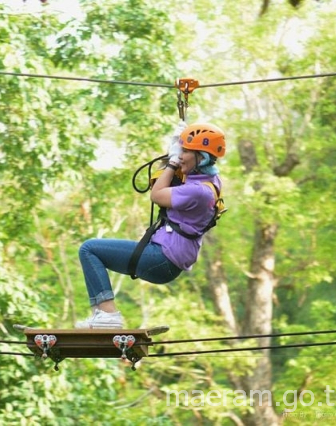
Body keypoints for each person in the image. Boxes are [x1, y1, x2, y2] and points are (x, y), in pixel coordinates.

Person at [75, 122, 226, 329]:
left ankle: (108, 315)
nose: (181, 155)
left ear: (202, 157)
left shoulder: (198, 191)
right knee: (90, 250)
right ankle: (100, 317)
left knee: (89, 249)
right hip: (167, 256)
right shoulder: (208, 179)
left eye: (185, 151)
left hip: (163, 257)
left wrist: (172, 162)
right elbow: (163, 179)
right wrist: (176, 148)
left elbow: (157, 195)